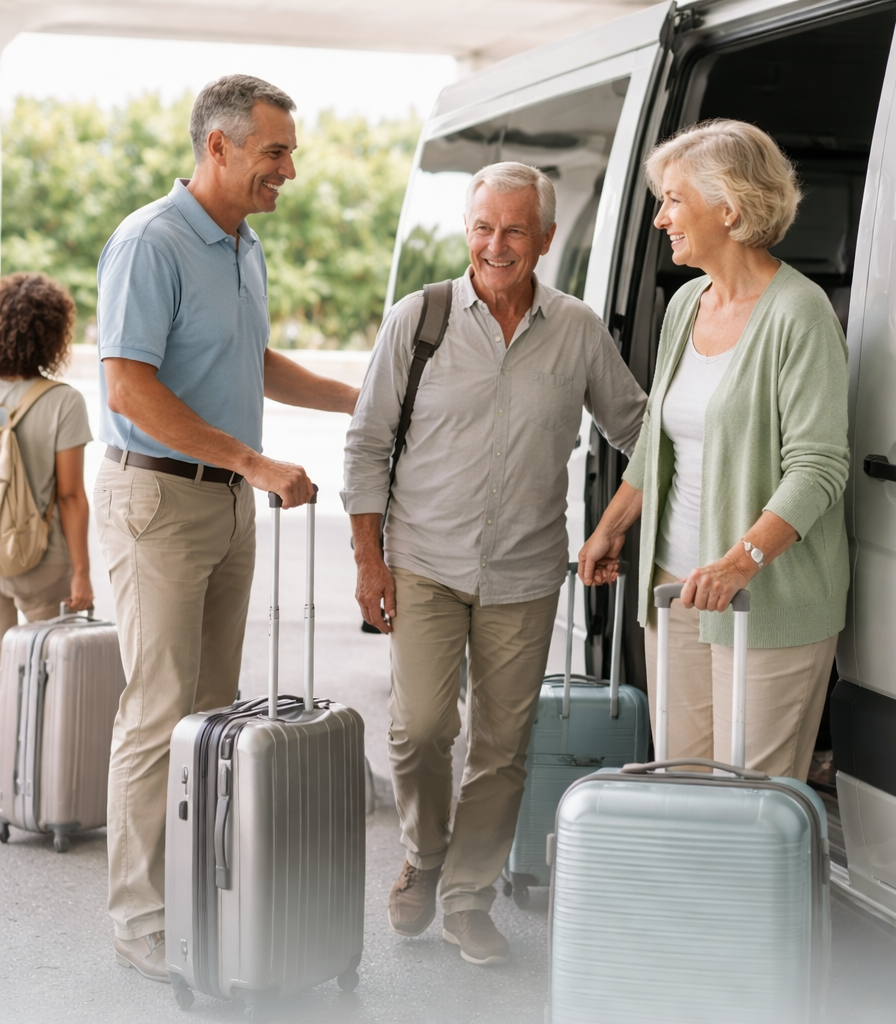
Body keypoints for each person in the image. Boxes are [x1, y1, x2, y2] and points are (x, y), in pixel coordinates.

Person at [343, 161, 646, 966]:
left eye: (515, 229)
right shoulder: (423, 317)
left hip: (522, 572)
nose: (497, 244)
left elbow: (639, 431)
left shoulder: (577, 328)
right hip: (424, 562)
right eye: (483, 226)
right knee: (419, 730)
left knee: (504, 746)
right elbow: (368, 442)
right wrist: (369, 562)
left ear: (546, 238)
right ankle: (426, 849)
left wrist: (619, 520)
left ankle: (469, 899)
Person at [95, 74, 359, 983]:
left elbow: (254, 361)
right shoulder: (151, 241)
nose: (289, 168)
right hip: (157, 501)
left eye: (289, 151)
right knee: (158, 709)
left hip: (226, 500)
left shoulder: (243, 246)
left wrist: (359, 400)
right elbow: (128, 385)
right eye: (274, 151)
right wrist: (254, 461)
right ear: (219, 146)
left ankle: (204, 894)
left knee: (213, 708)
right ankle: (142, 920)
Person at [579, 120, 850, 783]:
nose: (660, 218)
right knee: (683, 780)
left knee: (750, 797)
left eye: (673, 200)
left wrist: (738, 562)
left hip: (764, 595)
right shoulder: (688, 304)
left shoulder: (799, 313)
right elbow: (659, 446)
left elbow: (818, 468)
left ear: (729, 208)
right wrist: (611, 529)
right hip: (677, 587)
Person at [0, 274, 93, 633]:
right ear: (54, 335)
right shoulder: (64, 402)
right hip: (42, 560)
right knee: (52, 673)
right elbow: (70, 497)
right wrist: (81, 575)